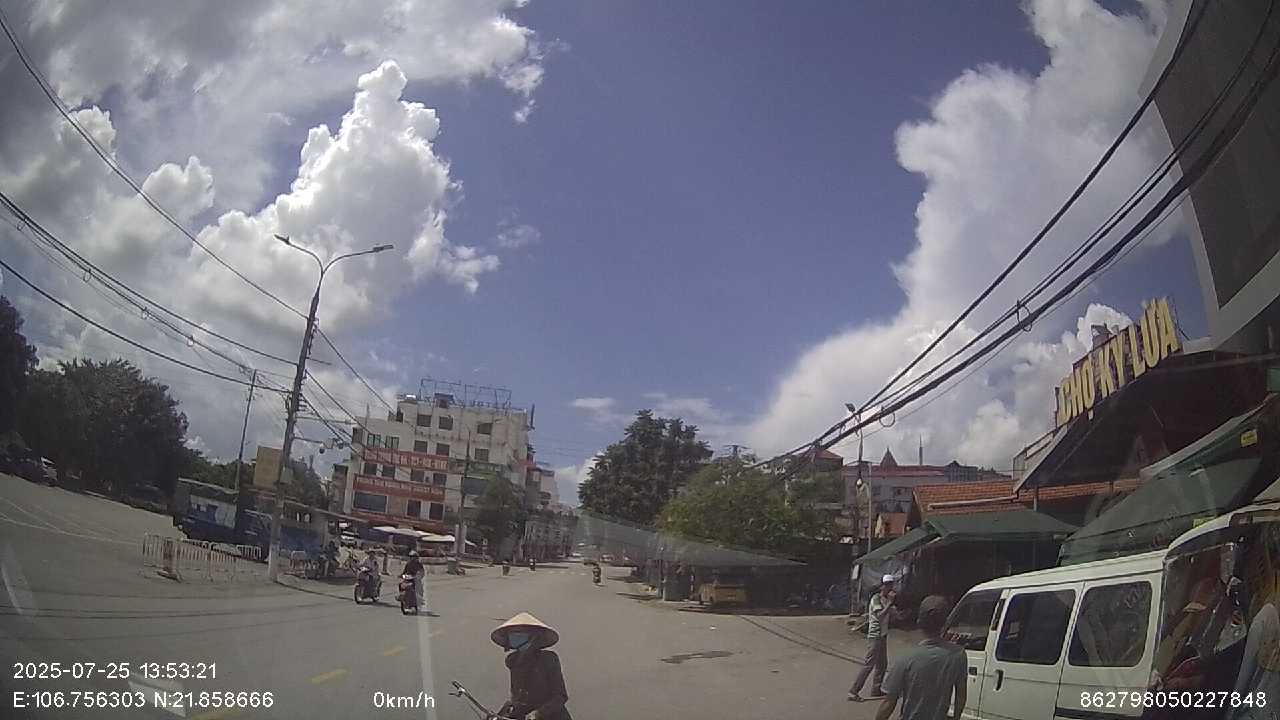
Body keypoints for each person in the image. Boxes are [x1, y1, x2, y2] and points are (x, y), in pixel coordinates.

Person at [875, 595, 967, 720]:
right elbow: (961, 695)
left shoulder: (906, 657)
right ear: (945, 623)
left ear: (919, 622)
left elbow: (889, 703)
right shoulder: (958, 655)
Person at [492, 612, 571, 720]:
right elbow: (518, 698)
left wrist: (538, 714)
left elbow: (560, 696)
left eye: (518, 633)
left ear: (533, 636)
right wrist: (503, 713)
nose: (513, 636)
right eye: (511, 633)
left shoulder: (548, 659)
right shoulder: (514, 661)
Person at [850, 575, 899, 702]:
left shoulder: (885, 599)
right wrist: (890, 604)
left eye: (891, 584)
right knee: (869, 664)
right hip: (875, 635)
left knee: (882, 664)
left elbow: (892, 616)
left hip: (883, 634)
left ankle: (876, 689)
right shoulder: (876, 599)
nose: (890, 587)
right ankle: (853, 691)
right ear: (882, 586)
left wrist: (893, 609)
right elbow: (880, 616)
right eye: (887, 585)